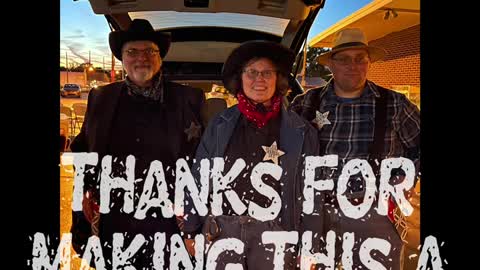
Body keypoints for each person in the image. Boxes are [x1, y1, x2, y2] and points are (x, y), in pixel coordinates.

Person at [69, 19, 205, 268]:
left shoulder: (190, 99)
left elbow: (205, 161)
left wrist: (195, 219)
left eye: (149, 52)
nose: (141, 58)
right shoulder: (101, 98)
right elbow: (83, 152)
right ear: (122, 58)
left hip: (169, 221)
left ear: (160, 58)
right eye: (132, 52)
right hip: (115, 217)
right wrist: (82, 205)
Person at [182, 40, 320, 269]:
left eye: (267, 72)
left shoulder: (303, 132)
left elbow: (312, 193)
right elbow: (199, 178)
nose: (260, 79)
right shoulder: (218, 124)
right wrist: (190, 228)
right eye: (252, 72)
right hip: (222, 230)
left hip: (277, 232)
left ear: (279, 79)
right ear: (240, 78)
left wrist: (310, 245)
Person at [290, 28, 420, 269]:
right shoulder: (306, 103)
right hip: (315, 212)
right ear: (331, 65)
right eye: (344, 59)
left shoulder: (394, 103)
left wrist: (406, 177)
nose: (353, 65)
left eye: (360, 58)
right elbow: (284, 151)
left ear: (368, 62)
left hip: (374, 214)